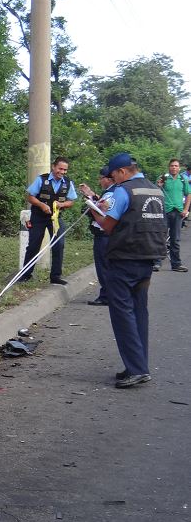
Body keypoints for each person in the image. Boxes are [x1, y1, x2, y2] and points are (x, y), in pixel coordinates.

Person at [87, 153, 167, 388]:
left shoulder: (124, 190)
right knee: (139, 312)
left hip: (124, 258)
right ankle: (137, 364)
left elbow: (107, 225)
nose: (113, 181)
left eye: (113, 176)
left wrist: (93, 208)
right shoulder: (155, 190)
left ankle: (137, 369)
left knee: (123, 314)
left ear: (122, 171)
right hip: (148, 258)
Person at [19, 156, 78, 284]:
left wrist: (62, 205)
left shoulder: (68, 182)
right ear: (53, 167)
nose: (62, 172)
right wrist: (42, 205)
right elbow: (30, 197)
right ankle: (25, 275)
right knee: (34, 245)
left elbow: (71, 201)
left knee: (59, 244)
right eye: (60, 169)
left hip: (55, 218)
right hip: (38, 216)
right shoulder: (42, 179)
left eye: (65, 170)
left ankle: (55, 276)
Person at [78, 167, 115, 305]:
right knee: (107, 266)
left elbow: (103, 210)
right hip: (107, 234)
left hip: (104, 234)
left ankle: (106, 296)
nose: (100, 181)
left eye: (101, 178)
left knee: (103, 266)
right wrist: (91, 195)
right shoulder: (111, 192)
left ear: (108, 179)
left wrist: (91, 206)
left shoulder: (112, 193)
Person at [154, 159, 190, 272]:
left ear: (179, 168)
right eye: (172, 166)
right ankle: (157, 263)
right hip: (164, 211)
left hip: (178, 212)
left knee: (175, 239)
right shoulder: (163, 178)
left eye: (176, 166)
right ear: (169, 167)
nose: (174, 167)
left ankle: (176, 264)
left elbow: (188, 194)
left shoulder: (183, 179)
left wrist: (185, 209)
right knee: (161, 237)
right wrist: (159, 186)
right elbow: (155, 193)